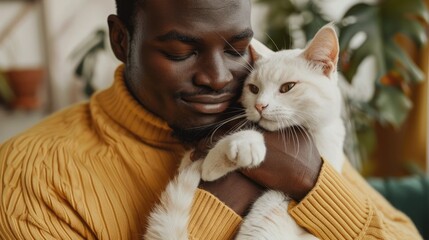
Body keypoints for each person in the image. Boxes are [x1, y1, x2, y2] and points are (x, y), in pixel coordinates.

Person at [0, 0, 422, 239]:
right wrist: (226, 194)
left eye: (237, 49)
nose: (218, 78)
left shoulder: (285, 129)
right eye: (181, 52)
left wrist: (313, 182)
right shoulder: (30, 176)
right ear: (121, 40)